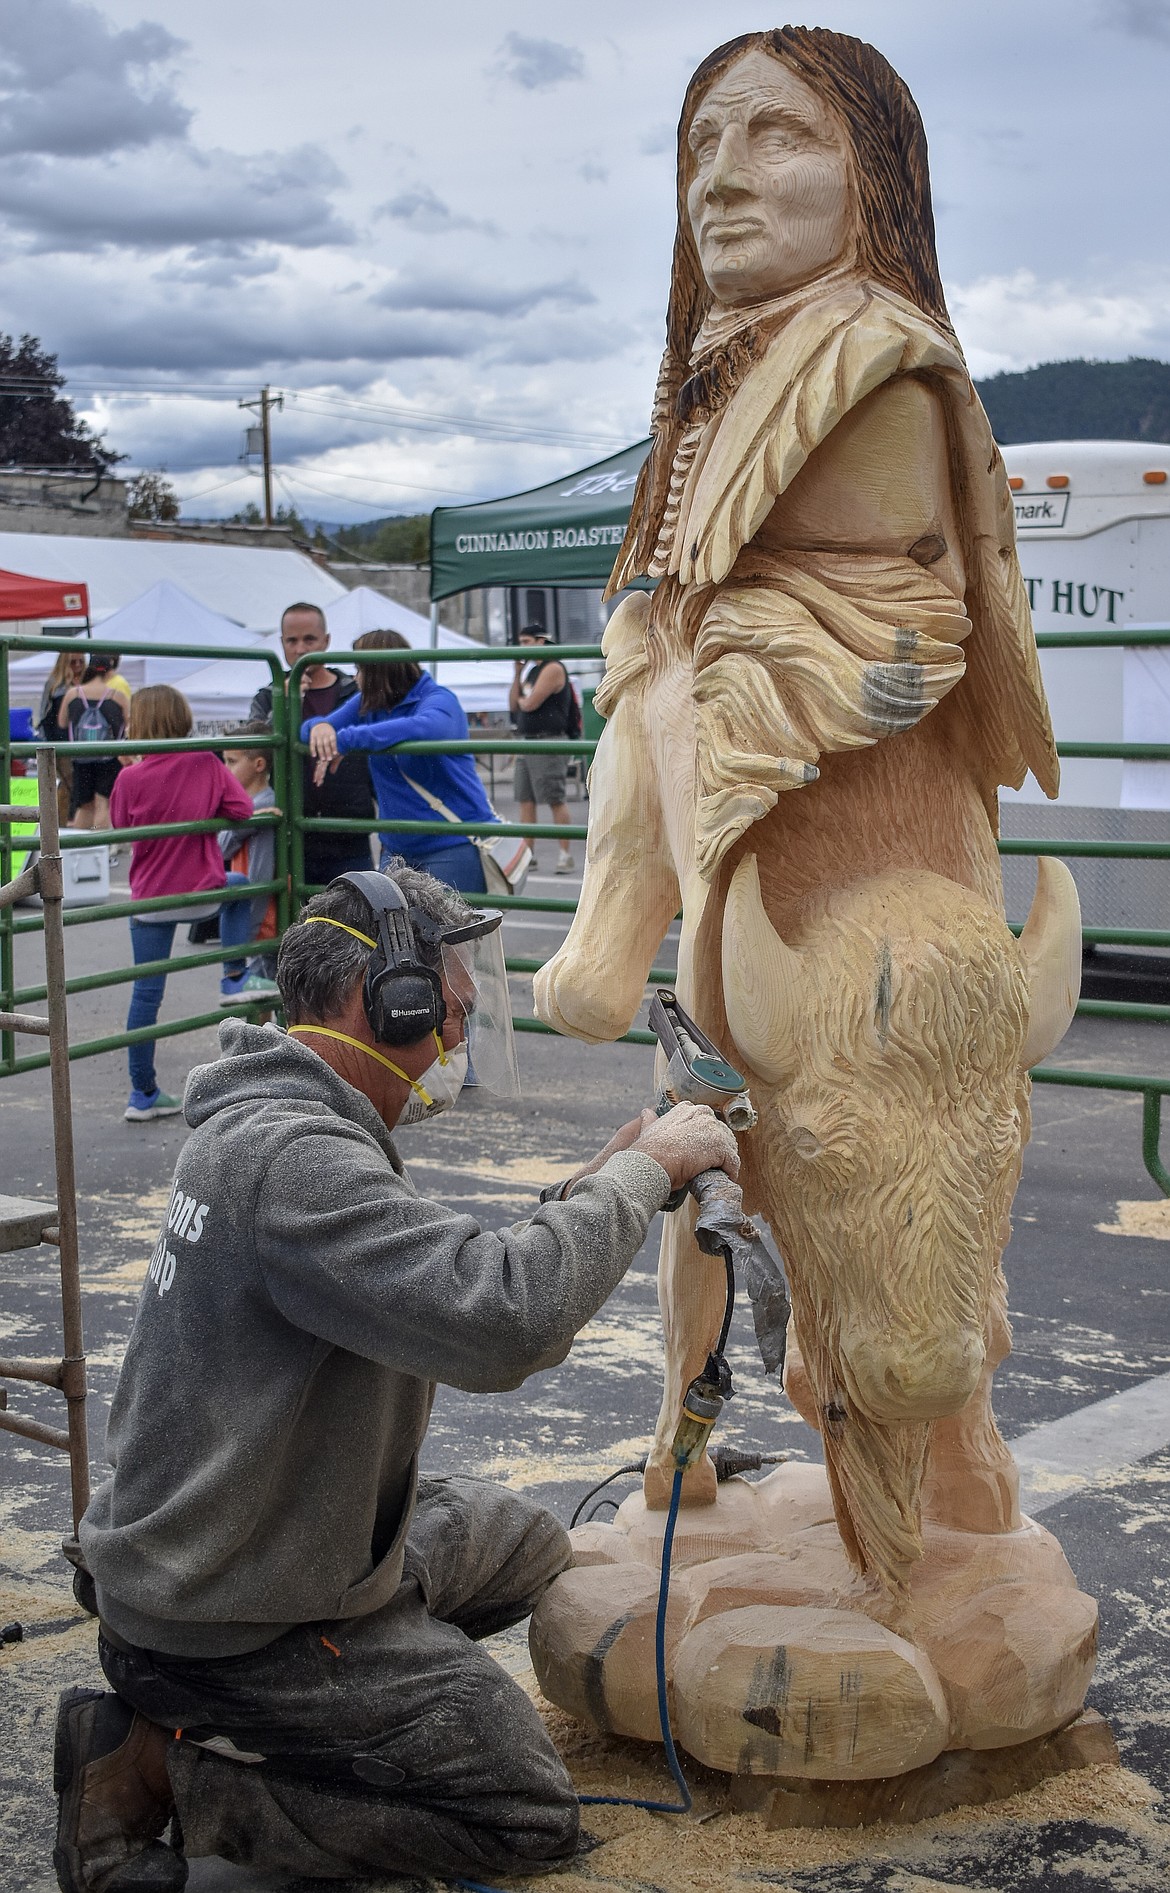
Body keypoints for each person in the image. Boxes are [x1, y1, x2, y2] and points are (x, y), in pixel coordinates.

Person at [54, 864, 739, 1890]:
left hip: (253, 1531)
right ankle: (172, 1771)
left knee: (524, 1544)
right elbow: (501, 1320)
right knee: (519, 1813)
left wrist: (618, 1171)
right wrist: (655, 1173)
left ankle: (360, 1687)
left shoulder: (291, 1126)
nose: (461, 1011)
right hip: (230, 1614)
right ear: (383, 1000)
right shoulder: (297, 1161)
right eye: (447, 983)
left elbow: (441, 1277)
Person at [109, 685, 273, 1122]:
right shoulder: (205, 761)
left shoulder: (129, 778)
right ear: (182, 718)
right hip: (202, 894)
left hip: (149, 901)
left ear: (139, 725)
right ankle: (233, 975)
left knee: (146, 995)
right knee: (242, 888)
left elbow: (118, 825)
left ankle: (142, 1094)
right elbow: (240, 809)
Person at [304, 628, 498, 896]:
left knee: (451, 935)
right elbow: (308, 731)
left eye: (360, 669)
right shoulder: (368, 702)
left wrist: (344, 740)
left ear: (378, 673)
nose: (355, 677)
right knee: (393, 934)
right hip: (396, 850)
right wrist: (320, 728)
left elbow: (427, 728)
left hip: (452, 846)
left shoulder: (439, 700)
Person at [249, 601, 374, 887]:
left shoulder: (354, 691)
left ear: (326, 641)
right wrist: (285, 704)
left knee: (357, 920)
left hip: (350, 829)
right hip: (291, 831)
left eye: (309, 639)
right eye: (292, 641)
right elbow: (256, 752)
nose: (301, 649)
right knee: (296, 922)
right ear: (282, 643)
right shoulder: (268, 696)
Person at [216, 719, 281, 1004]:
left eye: (232, 761)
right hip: (254, 914)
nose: (225, 770)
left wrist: (251, 928)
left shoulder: (266, 804)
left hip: (260, 917)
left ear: (258, 765)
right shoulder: (245, 807)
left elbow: (261, 872)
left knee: (262, 994)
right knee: (259, 992)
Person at [508, 625, 578, 874]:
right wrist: (517, 674)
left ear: (541, 641)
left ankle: (565, 855)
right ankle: (529, 854)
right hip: (528, 740)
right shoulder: (533, 670)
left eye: (526, 642)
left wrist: (524, 698)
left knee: (554, 797)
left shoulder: (552, 667)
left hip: (548, 740)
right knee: (525, 799)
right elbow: (515, 704)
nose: (522, 647)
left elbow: (529, 703)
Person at [57, 653, 125, 830]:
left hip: (81, 757)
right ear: (108, 672)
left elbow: (62, 723)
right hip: (109, 758)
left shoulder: (73, 694)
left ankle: (80, 853)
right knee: (103, 803)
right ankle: (101, 851)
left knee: (85, 805)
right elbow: (129, 725)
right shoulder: (117, 697)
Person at [37, 647, 87, 825]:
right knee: (66, 786)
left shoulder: (85, 683)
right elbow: (44, 716)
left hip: (81, 743)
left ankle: (67, 825)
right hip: (60, 742)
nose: (78, 666)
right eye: (74, 662)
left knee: (77, 787)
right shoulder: (55, 684)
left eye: (81, 661)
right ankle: (59, 826)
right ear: (64, 663)